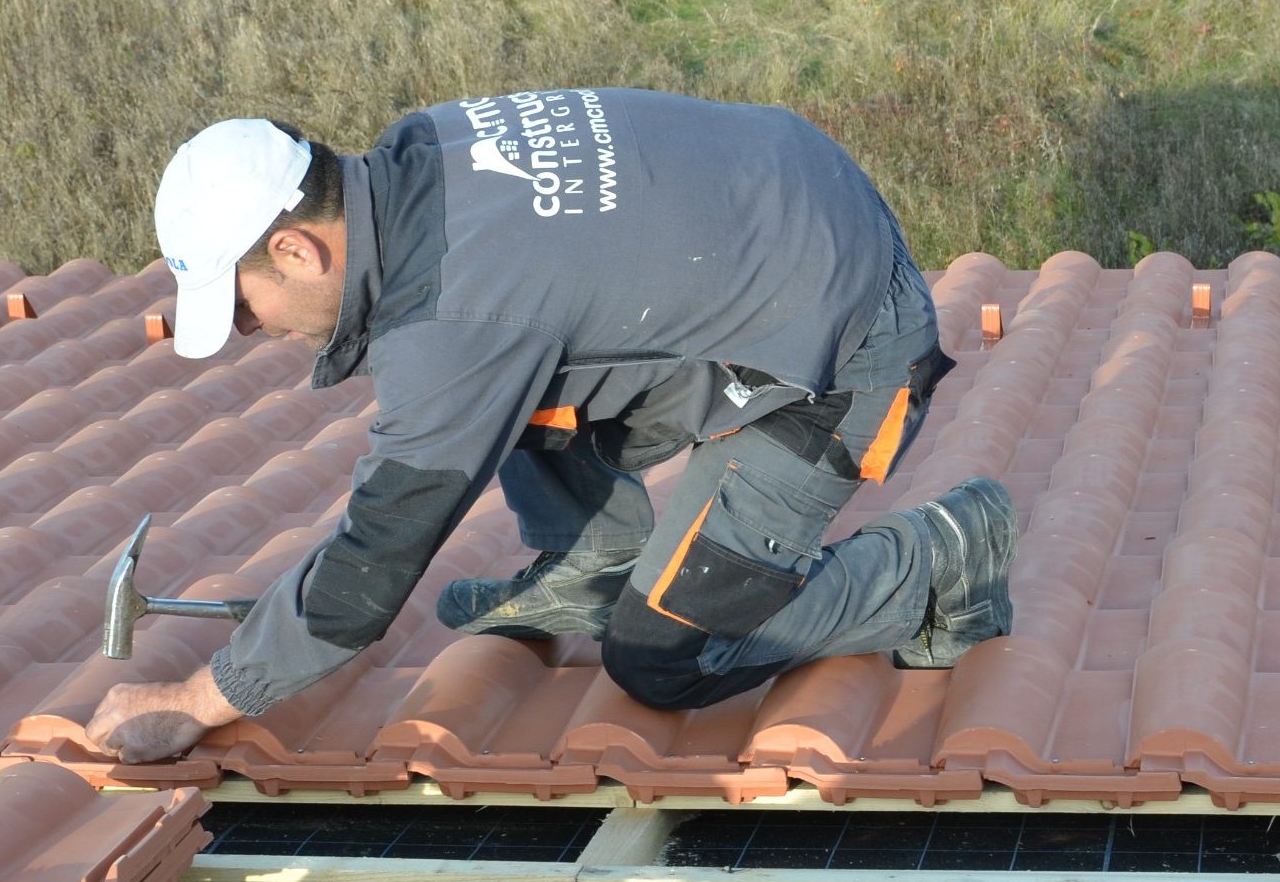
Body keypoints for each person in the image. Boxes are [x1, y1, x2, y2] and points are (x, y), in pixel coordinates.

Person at [83, 92, 1017, 763]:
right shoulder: (421, 152)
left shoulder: (451, 320)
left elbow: (371, 568)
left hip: (846, 345)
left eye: (240, 303)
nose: (248, 330)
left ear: (295, 248)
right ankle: (589, 562)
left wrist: (199, 698)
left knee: (663, 659)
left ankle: (940, 559)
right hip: (791, 205)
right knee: (523, 374)